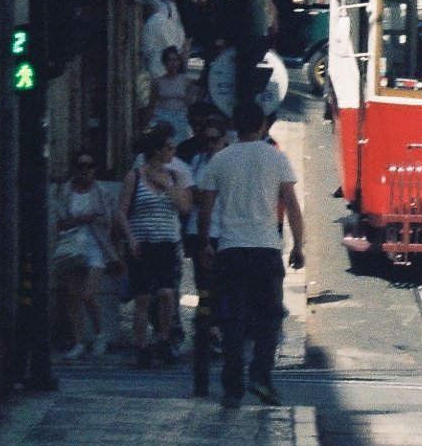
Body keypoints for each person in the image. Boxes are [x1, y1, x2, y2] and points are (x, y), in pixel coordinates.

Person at [197, 107, 306, 405]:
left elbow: (205, 206)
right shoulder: (276, 157)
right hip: (265, 247)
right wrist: (298, 245)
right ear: (262, 125)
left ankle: (232, 388)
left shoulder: (221, 159)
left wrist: (205, 243)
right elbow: (292, 205)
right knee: (268, 318)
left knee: (234, 318)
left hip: (231, 248)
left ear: (235, 126)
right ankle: (261, 378)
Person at [118, 129, 192, 366]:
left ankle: (162, 339)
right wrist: (130, 239)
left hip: (166, 242)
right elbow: (122, 210)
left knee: (167, 294)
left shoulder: (174, 176)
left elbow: (184, 208)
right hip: (141, 243)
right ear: (157, 151)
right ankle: (141, 346)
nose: (173, 152)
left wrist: (167, 186)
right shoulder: (135, 176)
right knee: (142, 296)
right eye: (169, 147)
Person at [50, 151, 120, 354]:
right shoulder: (65, 192)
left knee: (89, 294)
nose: (85, 171)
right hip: (72, 244)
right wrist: (84, 219)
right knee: (72, 297)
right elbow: (60, 223)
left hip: (96, 246)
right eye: (81, 166)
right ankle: (79, 341)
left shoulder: (102, 192)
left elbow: (113, 220)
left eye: (89, 167)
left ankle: (99, 335)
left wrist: (117, 250)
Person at [182, 112, 228, 394]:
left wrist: (203, 195)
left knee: (221, 285)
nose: (210, 145)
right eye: (206, 140)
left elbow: (207, 196)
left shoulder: (225, 165)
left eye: (215, 140)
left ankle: (216, 330)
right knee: (203, 284)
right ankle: (207, 333)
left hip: (223, 232)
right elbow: (192, 197)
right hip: (199, 232)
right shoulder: (197, 162)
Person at [148, 44, 191, 144]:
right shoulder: (157, 82)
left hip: (179, 117)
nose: (173, 63)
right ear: (164, 62)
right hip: (162, 116)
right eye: (169, 60)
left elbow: (190, 103)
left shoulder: (186, 81)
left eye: (175, 60)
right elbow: (152, 104)